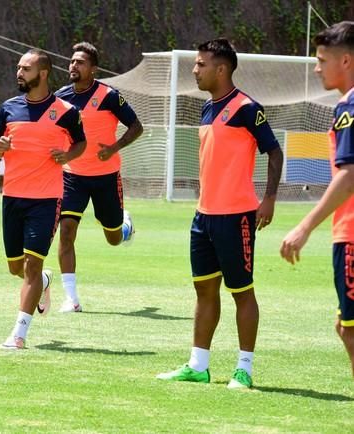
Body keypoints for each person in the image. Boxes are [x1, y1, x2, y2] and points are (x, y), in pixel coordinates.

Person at [157, 39, 283, 389]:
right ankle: (199, 364)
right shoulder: (207, 109)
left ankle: (244, 368)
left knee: (242, 292)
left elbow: (274, 152)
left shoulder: (246, 107)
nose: (195, 70)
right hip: (204, 217)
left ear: (221, 69)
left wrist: (269, 198)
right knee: (205, 292)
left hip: (236, 216)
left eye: (200, 64)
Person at [0, 48, 86, 349]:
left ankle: (18, 334)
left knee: (32, 264)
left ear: (43, 73)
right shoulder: (8, 108)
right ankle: (43, 282)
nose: (19, 73)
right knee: (17, 268)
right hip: (12, 198)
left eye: (26, 69)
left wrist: (68, 155)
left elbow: (81, 143)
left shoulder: (66, 112)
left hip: (46, 199)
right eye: (18, 68)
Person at [280, 21, 354, 377]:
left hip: (352, 234)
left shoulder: (349, 107)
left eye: (322, 59)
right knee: (345, 328)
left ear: (346, 62)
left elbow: (349, 174)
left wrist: (305, 227)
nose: (316, 67)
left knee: (351, 331)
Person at [54, 42, 143, 313]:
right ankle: (72, 298)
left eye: (80, 62)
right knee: (66, 232)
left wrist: (114, 148)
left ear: (93, 69)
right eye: (71, 61)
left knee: (113, 238)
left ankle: (124, 226)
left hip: (106, 177)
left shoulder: (109, 96)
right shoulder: (60, 97)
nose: (73, 65)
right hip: (72, 177)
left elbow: (136, 127)